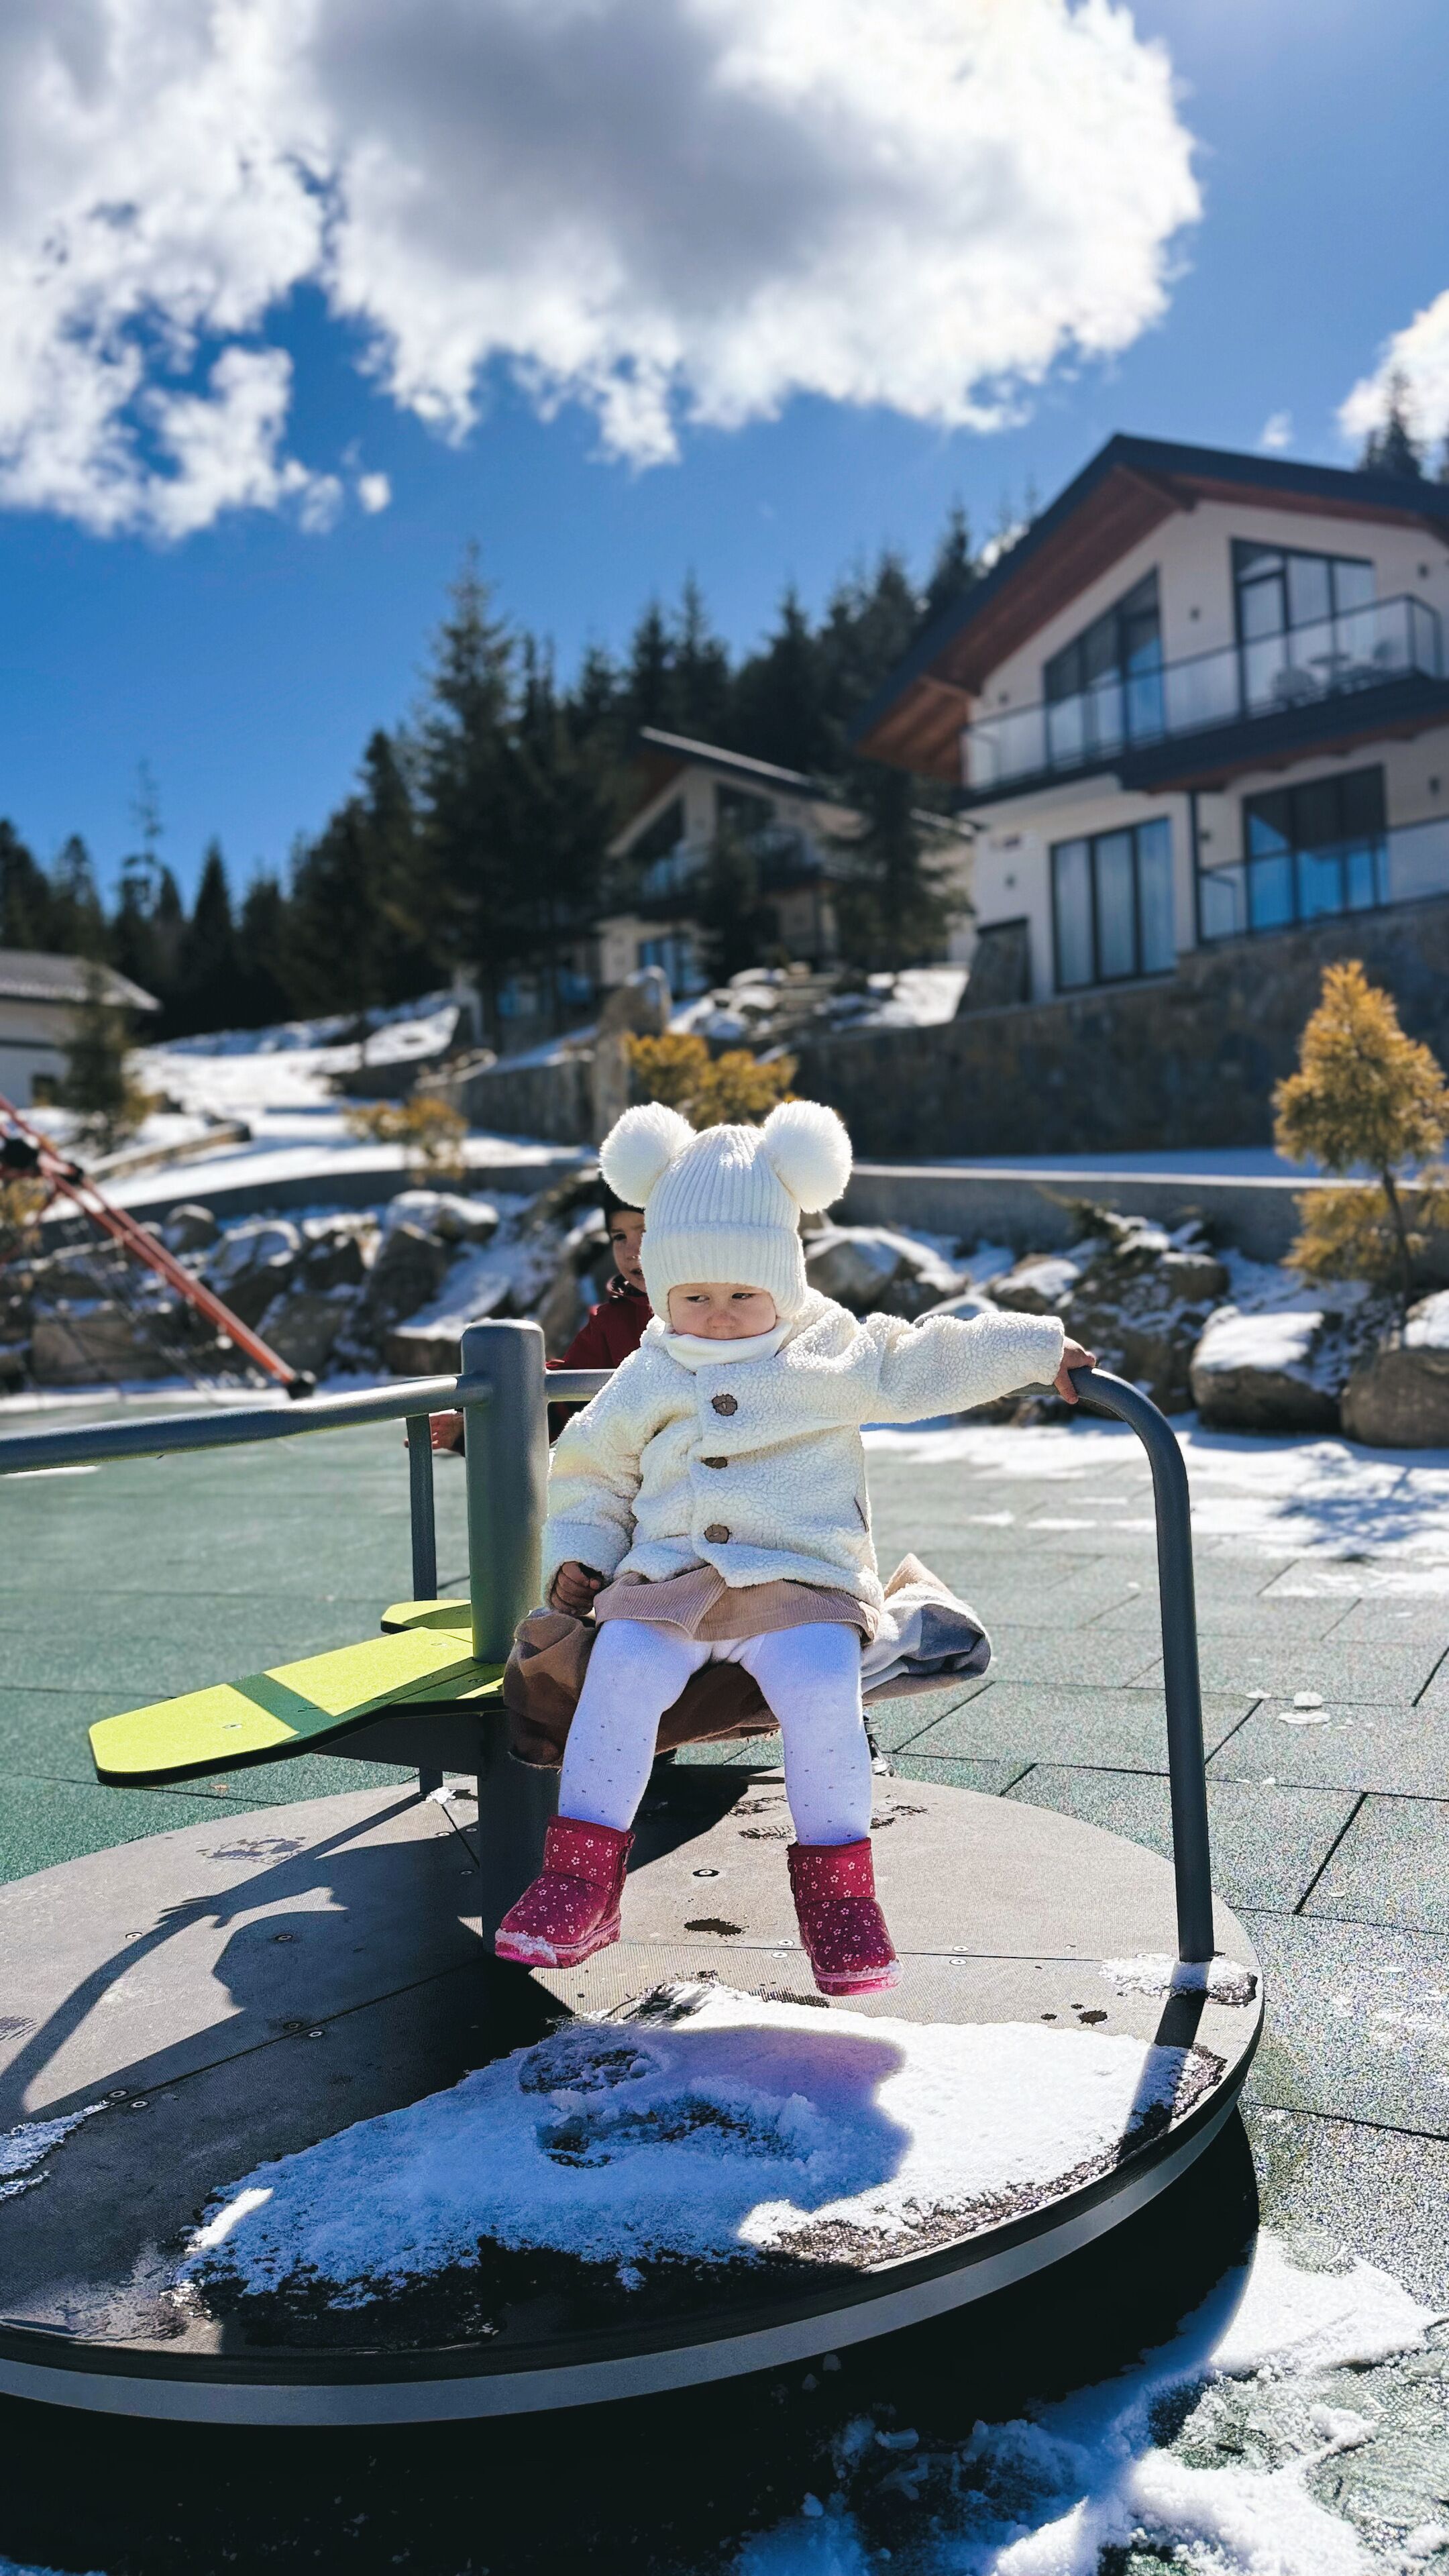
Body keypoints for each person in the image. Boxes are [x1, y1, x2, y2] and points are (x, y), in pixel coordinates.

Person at [495, 1098, 1095, 1997]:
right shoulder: (650, 1369)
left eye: (744, 1295)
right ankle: (581, 1881)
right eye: (693, 1296)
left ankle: (840, 1897)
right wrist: (581, 1552)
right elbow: (591, 1468)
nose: (720, 1315)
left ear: (785, 1280)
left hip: (799, 1586)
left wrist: (1033, 1347)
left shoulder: (829, 1351)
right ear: (661, 1288)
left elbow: (924, 1359)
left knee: (822, 1691)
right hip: (668, 1587)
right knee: (618, 1678)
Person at [427, 1195, 651, 1455]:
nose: (631, 1251)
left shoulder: (708, 1314)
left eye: (646, 1230)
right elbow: (557, 1399)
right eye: (619, 1236)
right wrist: (474, 1423)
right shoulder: (613, 1322)